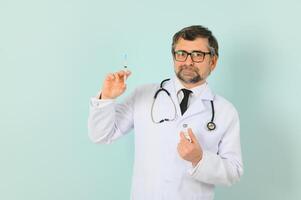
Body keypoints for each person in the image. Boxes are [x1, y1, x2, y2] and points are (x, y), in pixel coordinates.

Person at [88, 25, 243, 200]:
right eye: (181, 54)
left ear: (213, 61)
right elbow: (101, 135)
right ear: (174, 57)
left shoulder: (225, 111)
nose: (188, 62)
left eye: (198, 55)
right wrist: (106, 98)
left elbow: (234, 171)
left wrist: (199, 159)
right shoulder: (144, 95)